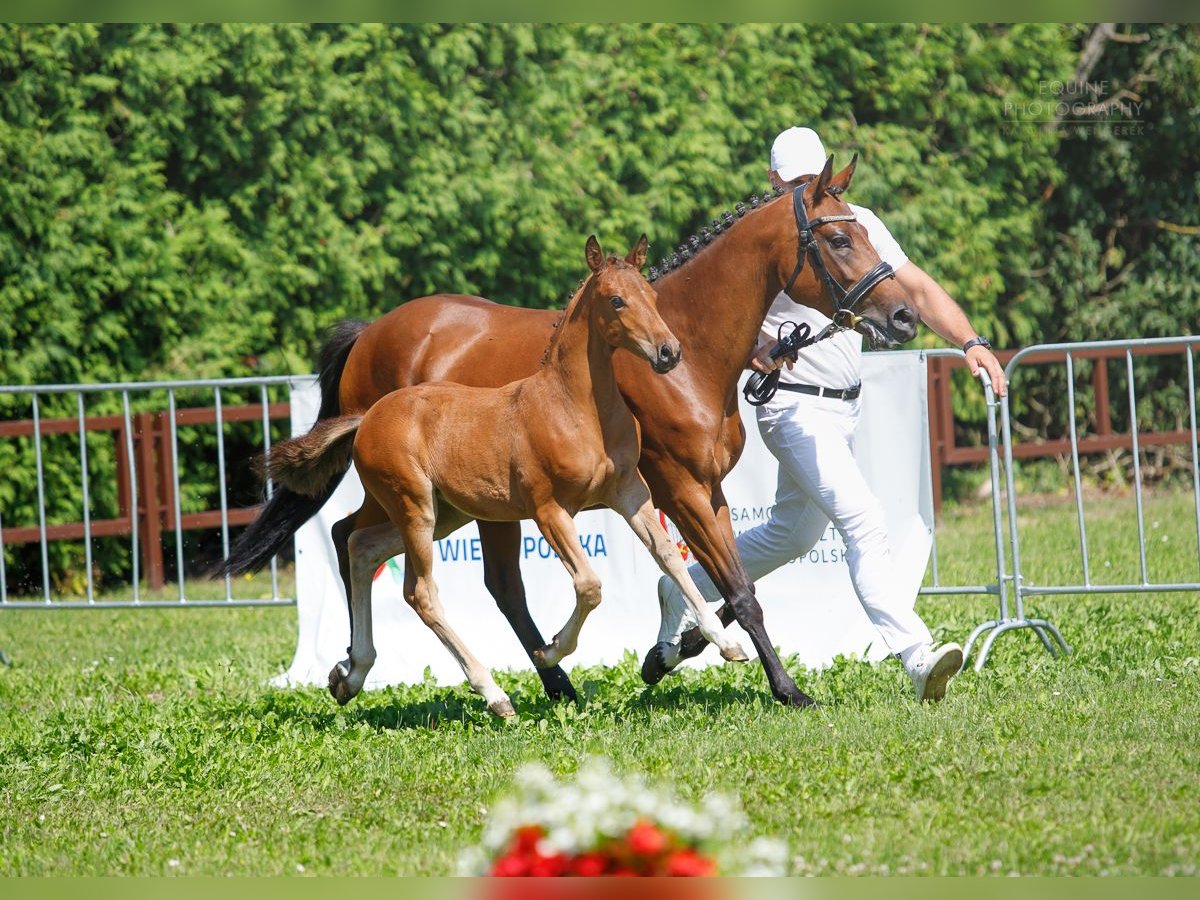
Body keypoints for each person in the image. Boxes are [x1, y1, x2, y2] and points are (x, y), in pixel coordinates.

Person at [651, 126, 1008, 701]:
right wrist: (750, 353)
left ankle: (685, 588)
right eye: (797, 185)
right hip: (792, 409)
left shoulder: (850, 223)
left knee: (792, 535)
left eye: (819, 182)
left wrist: (970, 342)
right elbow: (702, 323)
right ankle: (917, 655)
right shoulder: (758, 238)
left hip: (844, 408)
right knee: (864, 520)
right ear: (773, 183)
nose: (810, 196)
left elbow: (913, 287)